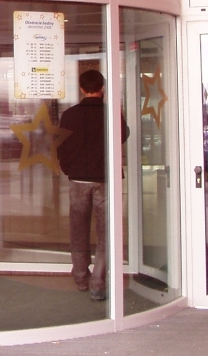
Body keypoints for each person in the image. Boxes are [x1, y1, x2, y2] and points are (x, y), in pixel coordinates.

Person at [57, 69, 128, 302]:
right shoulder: (111, 113)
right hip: (105, 179)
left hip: (78, 179)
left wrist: (69, 169)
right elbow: (123, 136)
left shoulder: (69, 115)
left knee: (78, 228)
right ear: (102, 88)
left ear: (81, 88)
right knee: (106, 230)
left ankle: (80, 277)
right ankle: (98, 281)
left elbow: (61, 146)